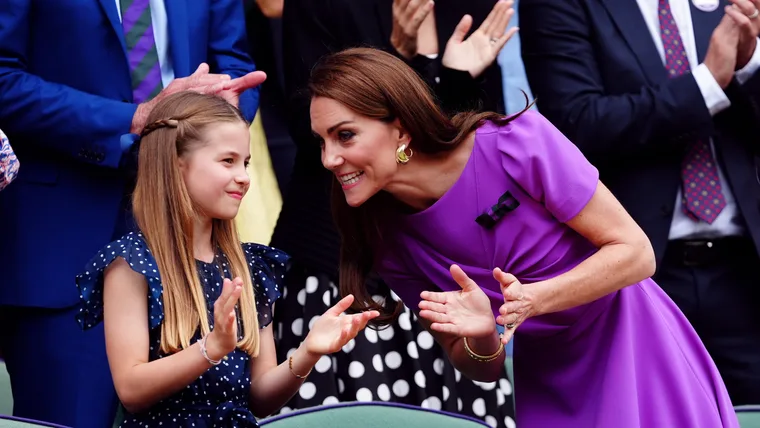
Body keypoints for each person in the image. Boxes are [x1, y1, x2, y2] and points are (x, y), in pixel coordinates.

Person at [310, 47, 740, 427]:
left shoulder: (514, 143)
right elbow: (483, 369)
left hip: (635, 349)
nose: (329, 159)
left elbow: (636, 253)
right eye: (322, 141)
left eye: (345, 135)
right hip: (547, 381)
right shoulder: (386, 235)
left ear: (401, 130)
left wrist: (531, 301)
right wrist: (482, 335)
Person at [0, 1, 262, 426]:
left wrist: (219, 115)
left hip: (189, 243)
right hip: (63, 233)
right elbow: (3, 76)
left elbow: (233, 64)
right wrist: (134, 118)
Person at [270, 1, 517, 425]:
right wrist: (394, 57)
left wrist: (454, 79)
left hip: (439, 267)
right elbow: (316, 144)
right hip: (340, 265)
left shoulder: (471, 7)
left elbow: (471, 141)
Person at [75, 91, 378, 427]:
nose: (245, 176)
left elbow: (261, 398)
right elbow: (131, 389)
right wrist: (210, 349)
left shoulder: (250, 267)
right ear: (177, 164)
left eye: (245, 163)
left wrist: (308, 352)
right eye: (228, 161)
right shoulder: (131, 263)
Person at [518, 0, 760, 404]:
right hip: (638, 279)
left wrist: (749, 66)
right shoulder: (559, 6)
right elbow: (575, 125)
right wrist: (704, 85)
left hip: (744, 273)